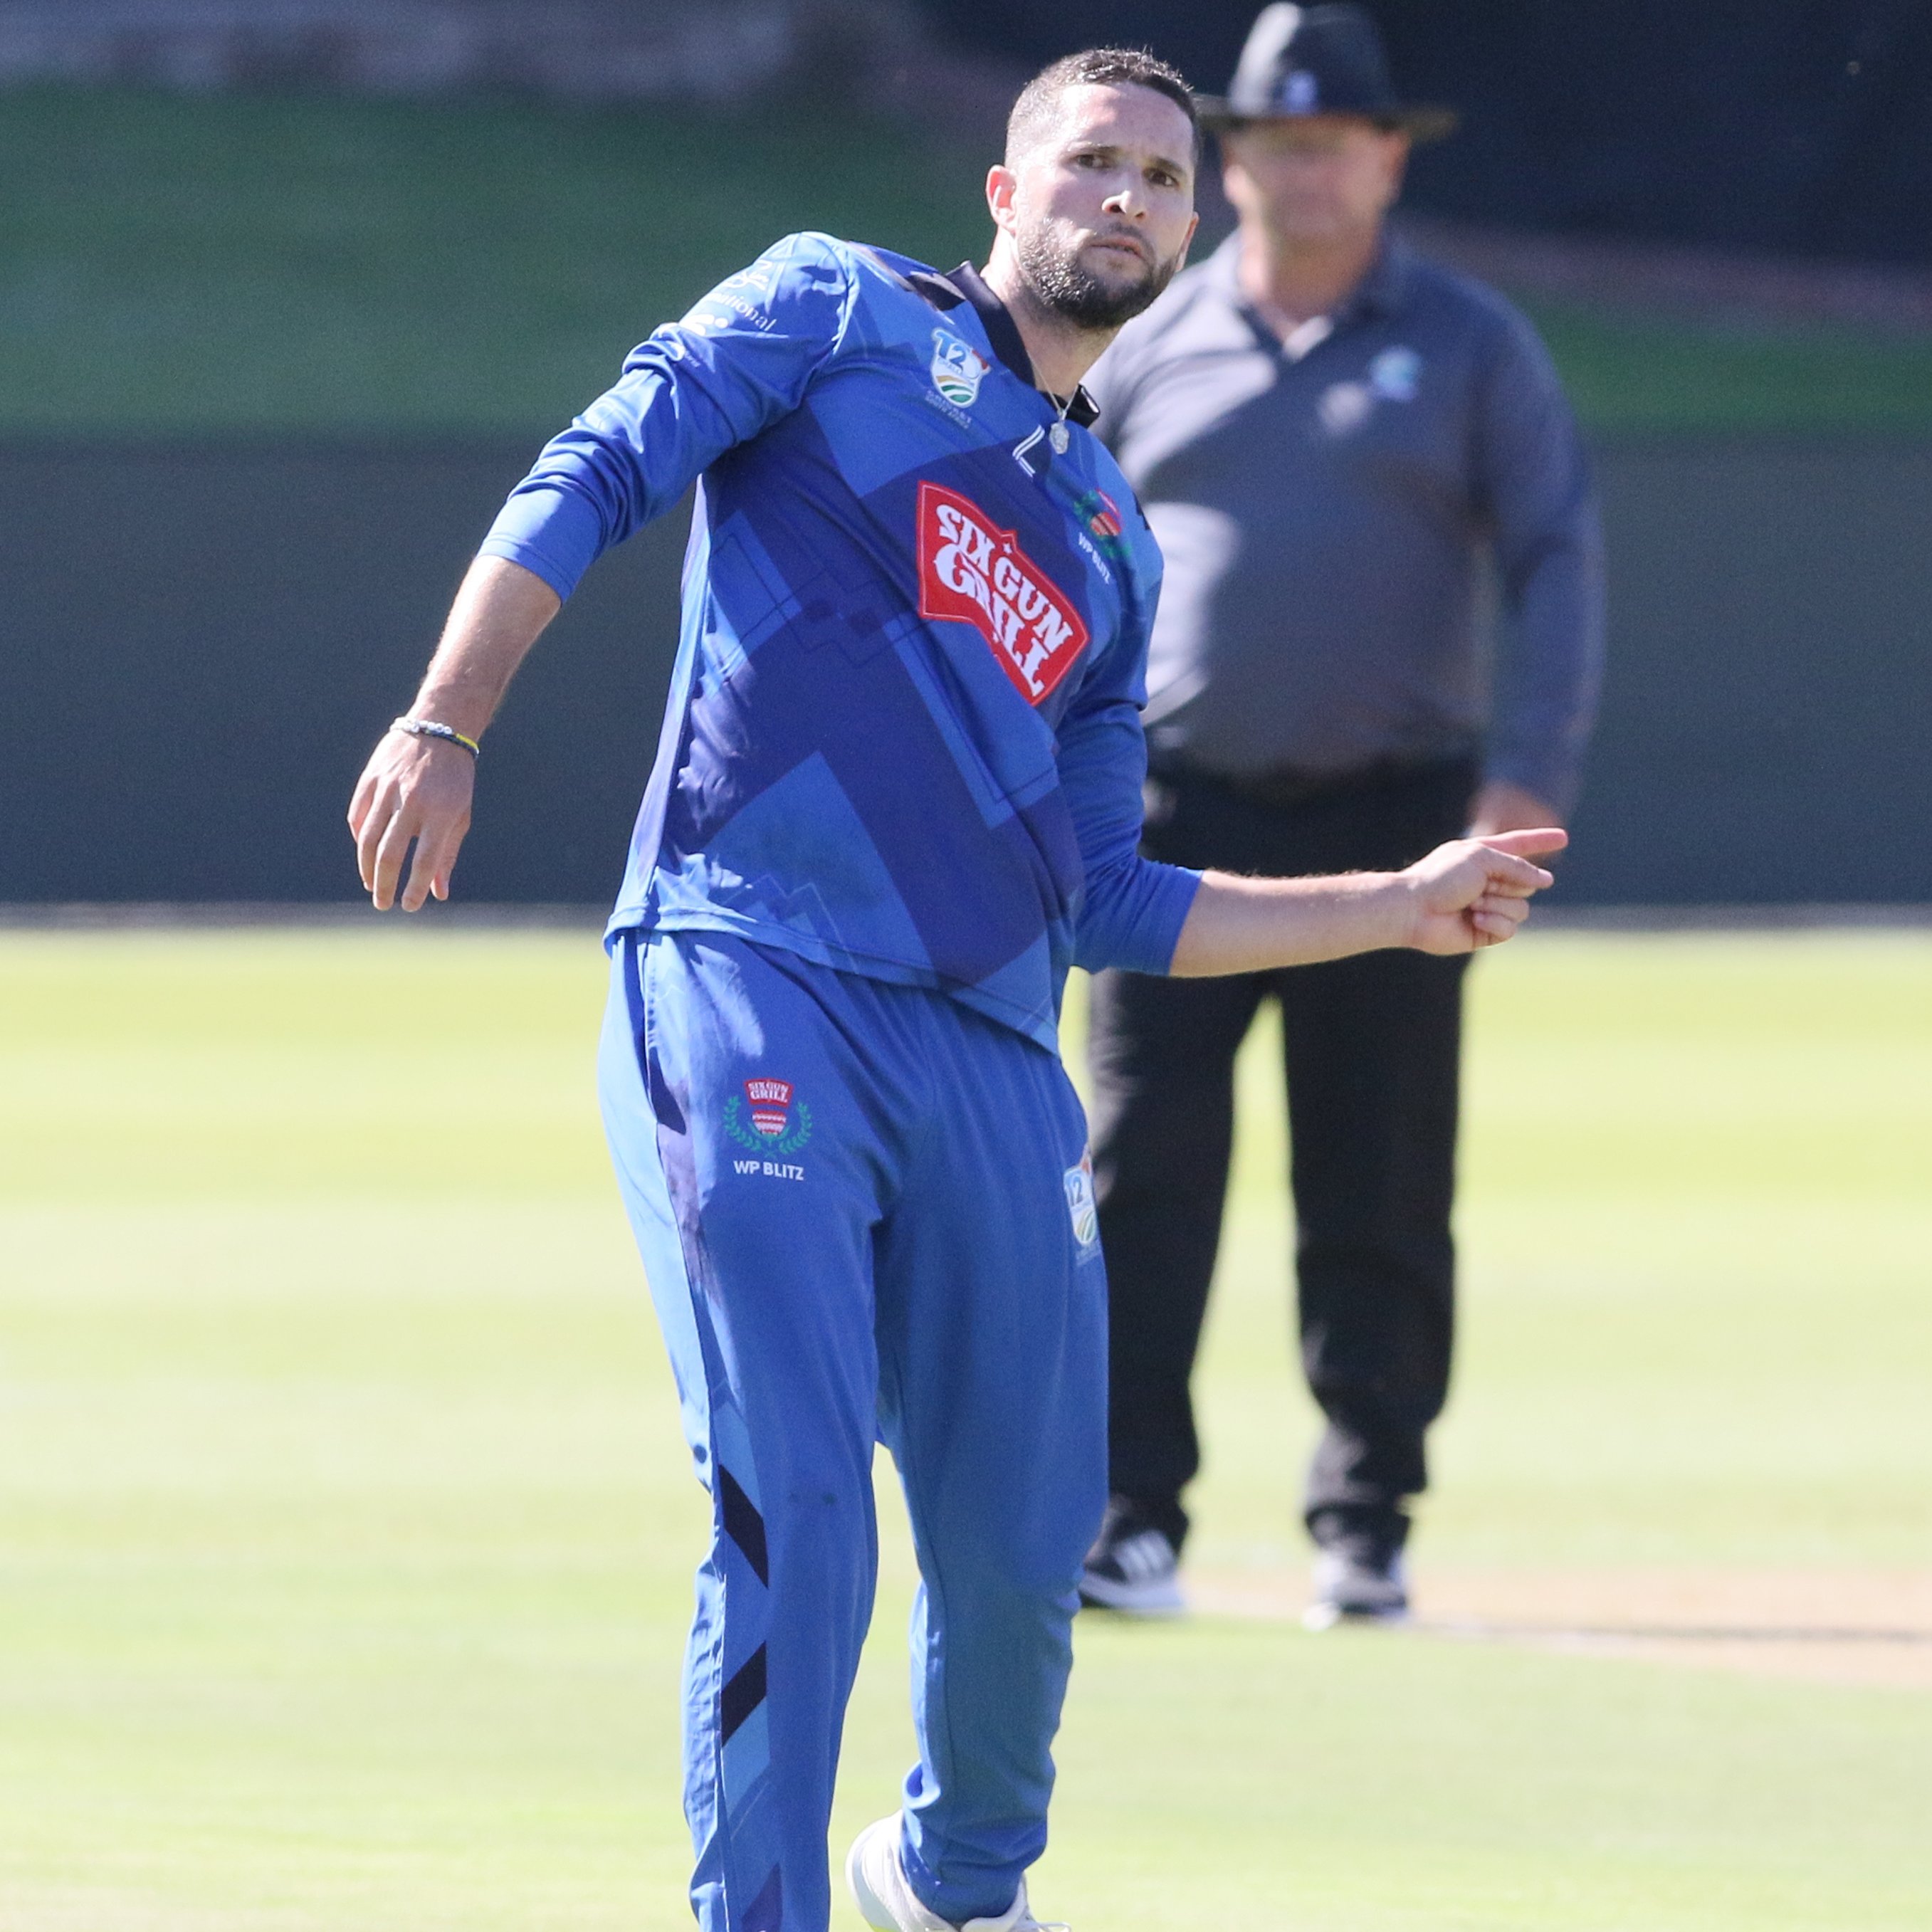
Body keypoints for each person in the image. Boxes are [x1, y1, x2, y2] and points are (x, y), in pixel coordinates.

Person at [347, 44, 1562, 1932]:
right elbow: (601, 463)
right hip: (748, 975)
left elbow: (1098, 903)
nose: (1128, 199)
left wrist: (1390, 906)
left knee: (1017, 1550)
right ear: (1004, 193)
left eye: (1162, 176)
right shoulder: (833, 307)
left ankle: (949, 1884)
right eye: (1091, 161)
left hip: (989, 1054)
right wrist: (447, 713)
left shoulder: (1110, 542)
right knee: (801, 1506)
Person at [1074, 5, 1605, 1632]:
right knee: (1137, 1168)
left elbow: (1557, 557)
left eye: (1335, 143)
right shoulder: (1151, 340)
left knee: (1375, 1174)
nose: (1304, 171)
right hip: (1169, 813)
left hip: (1399, 819)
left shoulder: (1463, 342)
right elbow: (1052, 537)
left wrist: (1526, 781)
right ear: (1231, 165)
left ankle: (1362, 1514)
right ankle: (1128, 1510)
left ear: (1384, 158)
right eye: (1274, 143)